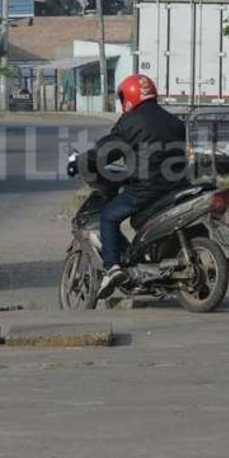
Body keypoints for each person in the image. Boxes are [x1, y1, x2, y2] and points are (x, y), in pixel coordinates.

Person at [81, 74, 188, 298]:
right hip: (178, 187)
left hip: (147, 189)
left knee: (109, 216)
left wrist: (84, 160)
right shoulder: (174, 121)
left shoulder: (131, 121)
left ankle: (112, 268)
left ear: (130, 96)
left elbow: (108, 150)